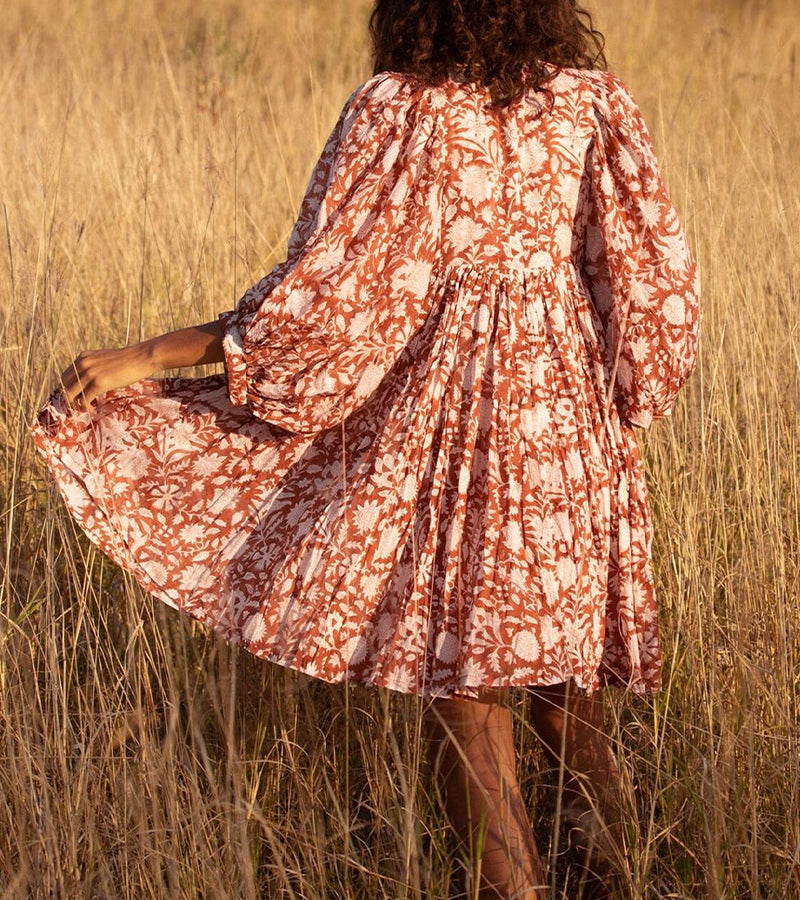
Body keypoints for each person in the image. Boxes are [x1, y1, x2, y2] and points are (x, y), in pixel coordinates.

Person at [30, 0, 701, 897]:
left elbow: (328, 307)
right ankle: (623, 880)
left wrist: (155, 355)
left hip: (466, 433)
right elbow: (656, 293)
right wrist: (618, 405)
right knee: (564, 690)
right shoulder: (592, 104)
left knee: (467, 694)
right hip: (572, 436)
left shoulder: (403, 110)